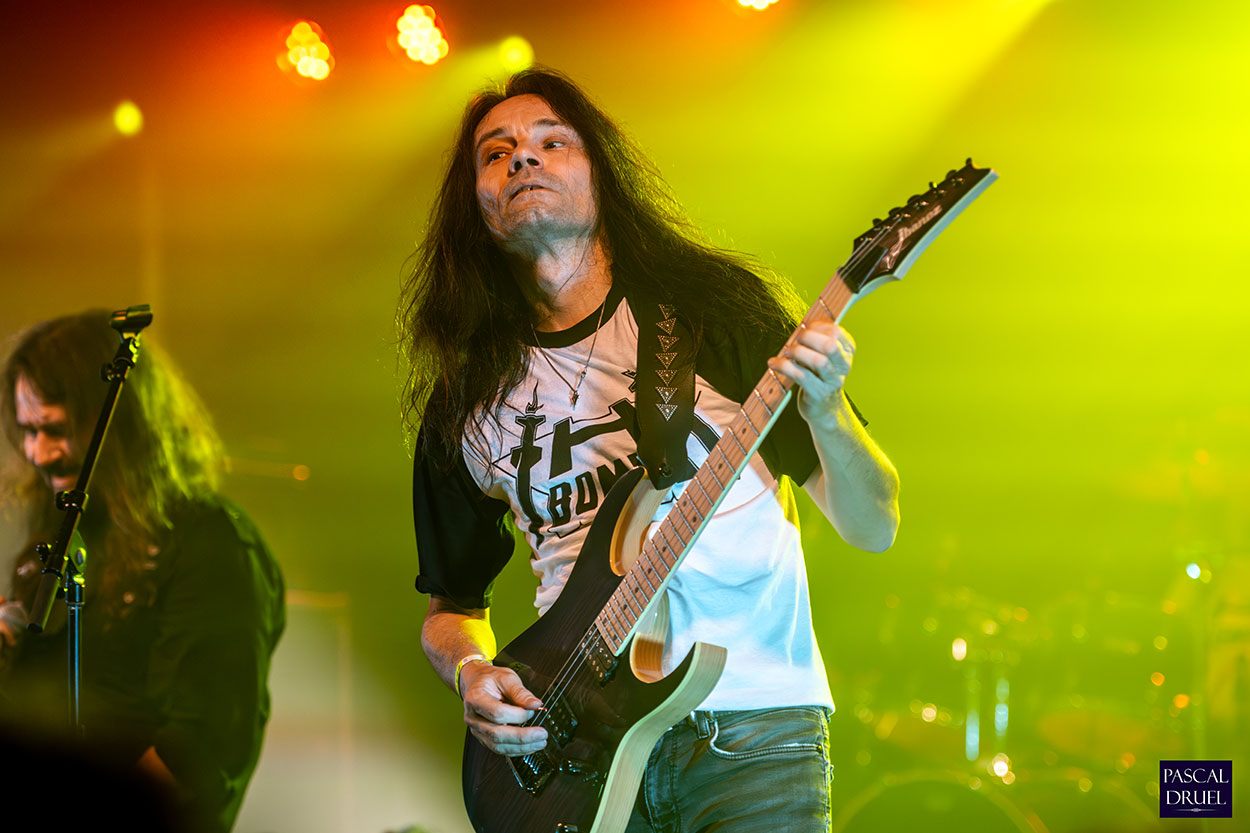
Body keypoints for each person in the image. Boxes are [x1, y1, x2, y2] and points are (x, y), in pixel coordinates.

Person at [401, 69, 900, 831]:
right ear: (477, 207)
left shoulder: (706, 311)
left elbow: (874, 525)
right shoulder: (465, 399)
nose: (522, 157)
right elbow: (452, 606)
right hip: (576, 750)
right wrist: (471, 669)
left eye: (552, 142)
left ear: (602, 174)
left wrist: (828, 410)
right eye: (496, 153)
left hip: (753, 730)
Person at [0, 311, 286, 833]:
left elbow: (199, 746)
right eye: (27, 431)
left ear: (119, 427)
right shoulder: (61, 543)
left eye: (55, 430)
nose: (37, 453)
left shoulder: (210, 543)